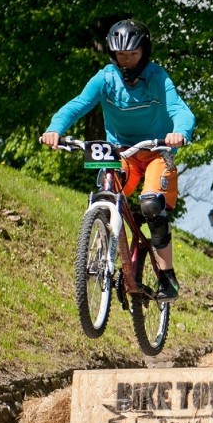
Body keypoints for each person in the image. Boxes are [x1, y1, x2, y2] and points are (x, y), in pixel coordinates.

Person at [41, 19, 196, 302]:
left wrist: (179, 133)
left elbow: (180, 111)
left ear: (144, 52)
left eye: (133, 55)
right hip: (119, 152)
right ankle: (104, 247)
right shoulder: (105, 78)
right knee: (106, 192)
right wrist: (55, 129)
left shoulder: (158, 78)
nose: (127, 61)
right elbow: (78, 104)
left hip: (156, 152)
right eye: (121, 56)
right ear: (113, 54)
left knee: (151, 203)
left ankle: (167, 277)